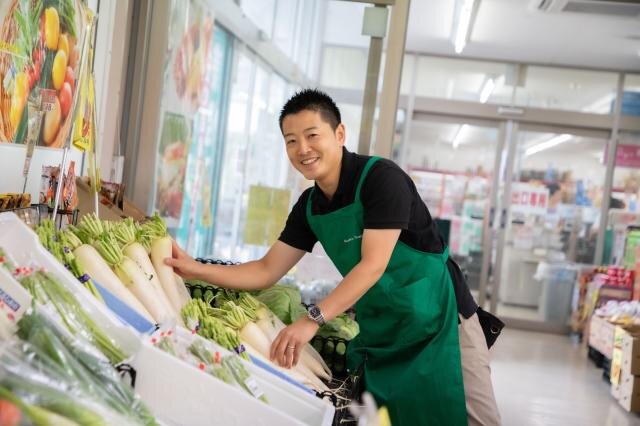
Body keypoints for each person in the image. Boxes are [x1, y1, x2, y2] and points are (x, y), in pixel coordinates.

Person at [166, 89, 500, 426]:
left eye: (312, 136)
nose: (303, 149)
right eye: (291, 141)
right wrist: (194, 269)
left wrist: (311, 320)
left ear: (339, 134)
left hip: (442, 324)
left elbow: (373, 265)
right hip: (384, 334)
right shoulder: (310, 206)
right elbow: (266, 270)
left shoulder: (381, 179)